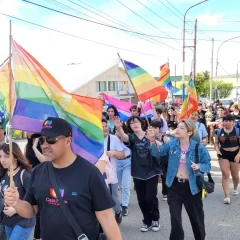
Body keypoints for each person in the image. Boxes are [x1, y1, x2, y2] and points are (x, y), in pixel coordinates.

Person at [4, 117, 122, 240]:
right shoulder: (38, 172)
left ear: (68, 141)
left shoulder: (90, 173)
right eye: (42, 140)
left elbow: (107, 218)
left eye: (51, 140)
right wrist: (16, 202)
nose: (44, 145)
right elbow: (31, 210)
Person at [149, 120, 211, 240]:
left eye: (181, 128)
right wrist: (152, 140)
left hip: (192, 187)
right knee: (175, 218)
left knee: (196, 218)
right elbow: (157, 152)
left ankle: (201, 237)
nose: (177, 129)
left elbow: (207, 165)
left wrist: (199, 166)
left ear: (189, 132)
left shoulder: (198, 147)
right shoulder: (172, 144)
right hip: (174, 186)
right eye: (177, 127)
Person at [114, 116, 161, 232]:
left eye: (136, 122)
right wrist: (119, 128)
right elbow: (124, 137)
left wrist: (152, 138)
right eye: (131, 123)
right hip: (138, 172)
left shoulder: (149, 133)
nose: (134, 124)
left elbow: (160, 148)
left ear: (141, 123)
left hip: (152, 171)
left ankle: (155, 219)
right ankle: (147, 221)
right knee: (141, 199)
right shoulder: (133, 138)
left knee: (150, 197)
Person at [0, 142, 35, 240]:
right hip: (8, 221)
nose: (2, 160)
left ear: (15, 156)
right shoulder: (4, 174)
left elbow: (34, 201)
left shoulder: (24, 175)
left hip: (23, 222)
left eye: (6, 156)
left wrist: (15, 209)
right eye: (0, 156)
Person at [102, 119, 125, 224]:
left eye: (106, 126)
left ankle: (118, 211)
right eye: (102, 126)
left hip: (111, 176)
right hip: (97, 175)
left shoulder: (114, 139)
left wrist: (113, 153)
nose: (105, 128)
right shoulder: (93, 140)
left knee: (113, 199)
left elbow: (122, 155)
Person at [214, 114, 240, 204]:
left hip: (236, 153)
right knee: (225, 174)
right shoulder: (218, 131)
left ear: (233, 122)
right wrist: (217, 150)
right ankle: (227, 196)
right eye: (226, 121)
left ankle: (235, 188)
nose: (228, 123)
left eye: (230, 121)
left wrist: (238, 155)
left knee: (235, 175)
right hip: (223, 154)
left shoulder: (238, 131)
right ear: (223, 122)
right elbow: (216, 143)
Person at [25, 132, 46, 240]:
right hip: (32, 177)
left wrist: (35, 147)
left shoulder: (43, 142)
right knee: (33, 206)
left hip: (43, 177)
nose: (29, 132)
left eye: (30, 130)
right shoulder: (28, 144)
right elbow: (27, 161)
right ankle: (36, 236)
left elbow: (45, 161)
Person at [149, 120, 170, 201]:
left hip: (164, 159)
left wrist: (154, 140)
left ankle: (165, 192)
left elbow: (166, 148)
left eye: (155, 128)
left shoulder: (164, 138)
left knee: (164, 176)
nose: (153, 129)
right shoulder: (149, 137)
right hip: (154, 159)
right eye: (152, 127)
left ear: (159, 128)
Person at [115, 125, 132, 216]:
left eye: (120, 130)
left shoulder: (127, 138)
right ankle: (117, 204)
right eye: (117, 130)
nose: (118, 131)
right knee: (119, 185)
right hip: (116, 163)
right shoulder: (112, 139)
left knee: (125, 185)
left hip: (127, 163)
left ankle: (125, 205)